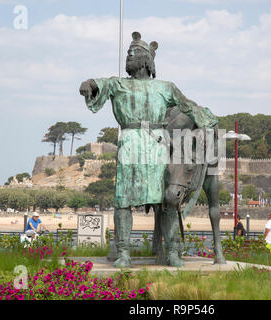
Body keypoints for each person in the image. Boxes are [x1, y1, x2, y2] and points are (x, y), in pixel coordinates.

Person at [79, 31, 219, 268]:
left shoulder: (166, 87)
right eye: (128, 53)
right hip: (130, 143)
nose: (128, 57)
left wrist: (207, 120)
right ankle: (124, 253)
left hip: (157, 144)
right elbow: (99, 84)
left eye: (133, 53)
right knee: (123, 200)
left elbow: (189, 106)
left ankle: (173, 251)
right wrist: (88, 84)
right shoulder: (118, 84)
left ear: (146, 60)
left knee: (166, 202)